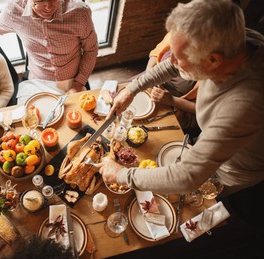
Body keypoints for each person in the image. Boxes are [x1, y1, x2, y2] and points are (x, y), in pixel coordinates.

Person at [98, 0, 264, 200]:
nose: (172, 61)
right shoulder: (234, 40)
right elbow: (172, 65)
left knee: (196, 204)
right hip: (206, 139)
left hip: (230, 170)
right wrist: (132, 89)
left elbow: (187, 177)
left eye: (179, 57)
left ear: (213, 60)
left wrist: (121, 174)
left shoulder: (245, 106)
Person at [0, 0, 98, 105]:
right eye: (40, 0)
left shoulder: (80, 12)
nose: (48, 7)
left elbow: (91, 50)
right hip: (38, 81)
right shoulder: (15, 9)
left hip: (73, 80)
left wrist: (78, 84)